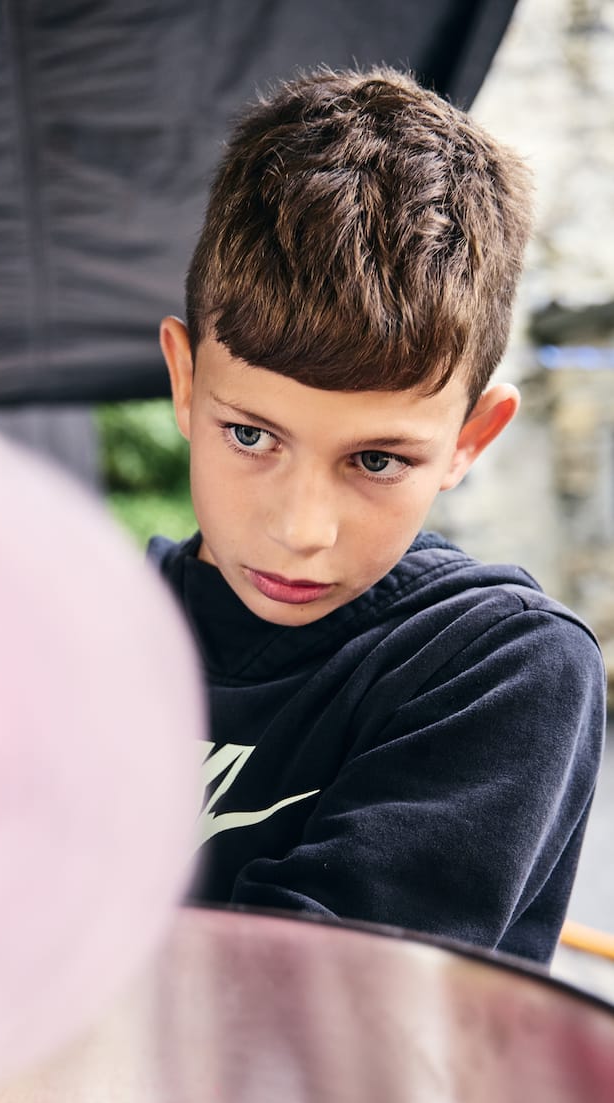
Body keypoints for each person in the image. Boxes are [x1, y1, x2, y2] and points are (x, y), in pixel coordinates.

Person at [150, 66, 607, 966]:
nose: (301, 528)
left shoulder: (500, 670)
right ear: (184, 382)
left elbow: (306, 1018)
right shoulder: (78, 632)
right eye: (250, 435)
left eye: (376, 461)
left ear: (472, 439)